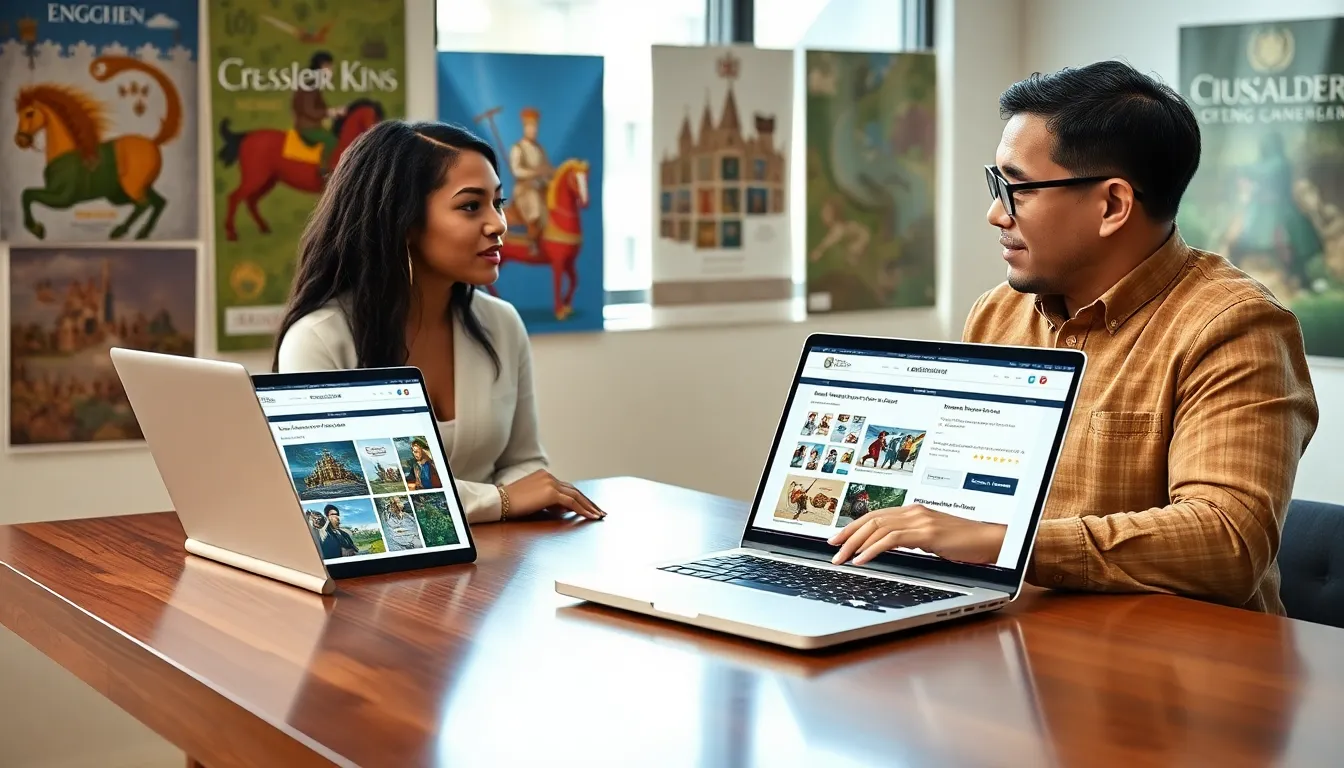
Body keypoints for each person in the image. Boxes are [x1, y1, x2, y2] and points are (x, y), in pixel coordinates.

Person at [830, 60, 1318, 614]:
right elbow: (948, 500)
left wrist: (1005, 543)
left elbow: (1227, 541)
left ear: (1112, 204)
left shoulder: (1235, 326)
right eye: (996, 185)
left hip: (1170, 669)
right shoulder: (997, 315)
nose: (995, 215)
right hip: (1004, 630)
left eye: (1016, 189)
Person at [273, 119, 606, 524]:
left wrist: (527, 492)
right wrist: (498, 501)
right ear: (405, 222)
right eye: (471, 206)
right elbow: (346, 498)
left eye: (497, 202)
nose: (499, 224)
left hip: (499, 567)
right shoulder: (318, 340)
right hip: (375, 580)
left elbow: (523, 463)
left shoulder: (502, 324)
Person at [292, 51, 344, 180]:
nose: (332, 70)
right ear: (322, 66)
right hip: (307, 127)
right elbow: (309, 110)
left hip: (314, 124)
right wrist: (329, 112)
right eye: (329, 67)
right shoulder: (310, 86)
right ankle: (324, 170)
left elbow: (320, 108)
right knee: (331, 140)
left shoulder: (315, 85)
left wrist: (335, 111)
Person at [508, 107, 553, 248]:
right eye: (530, 126)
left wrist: (549, 175)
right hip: (525, 189)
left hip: (541, 186)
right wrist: (534, 173)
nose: (533, 130)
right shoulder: (518, 148)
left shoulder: (540, 149)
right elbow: (517, 171)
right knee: (536, 209)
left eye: (535, 127)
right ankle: (532, 242)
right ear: (525, 128)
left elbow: (545, 168)